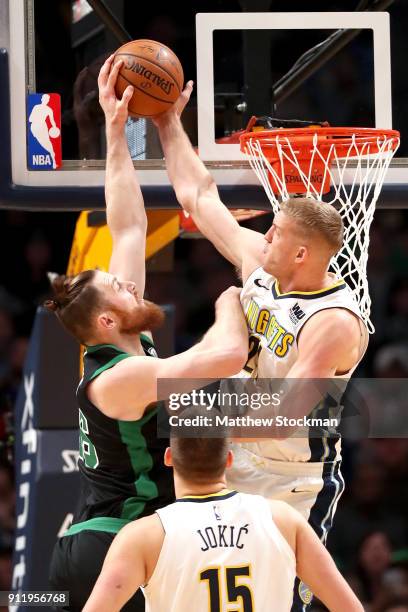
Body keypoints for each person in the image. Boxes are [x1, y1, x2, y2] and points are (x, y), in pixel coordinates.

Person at [153, 81, 369, 610]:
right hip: (231, 457)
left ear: (301, 254)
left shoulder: (333, 322)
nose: (261, 237)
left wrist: (193, 417)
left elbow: (283, 415)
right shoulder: (263, 268)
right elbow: (200, 197)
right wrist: (167, 123)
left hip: (289, 479)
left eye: (273, 234)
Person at [47, 57, 248, 611]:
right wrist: (236, 296)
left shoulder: (122, 336)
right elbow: (228, 353)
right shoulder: (122, 376)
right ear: (106, 320)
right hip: (114, 543)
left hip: (126, 541)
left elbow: (130, 223)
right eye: (118, 287)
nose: (129, 284)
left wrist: (123, 129)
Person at [82, 419, 364, 612]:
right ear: (229, 459)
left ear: (168, 457)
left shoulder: (143, 536)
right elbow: (349, 607)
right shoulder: (284, 520)